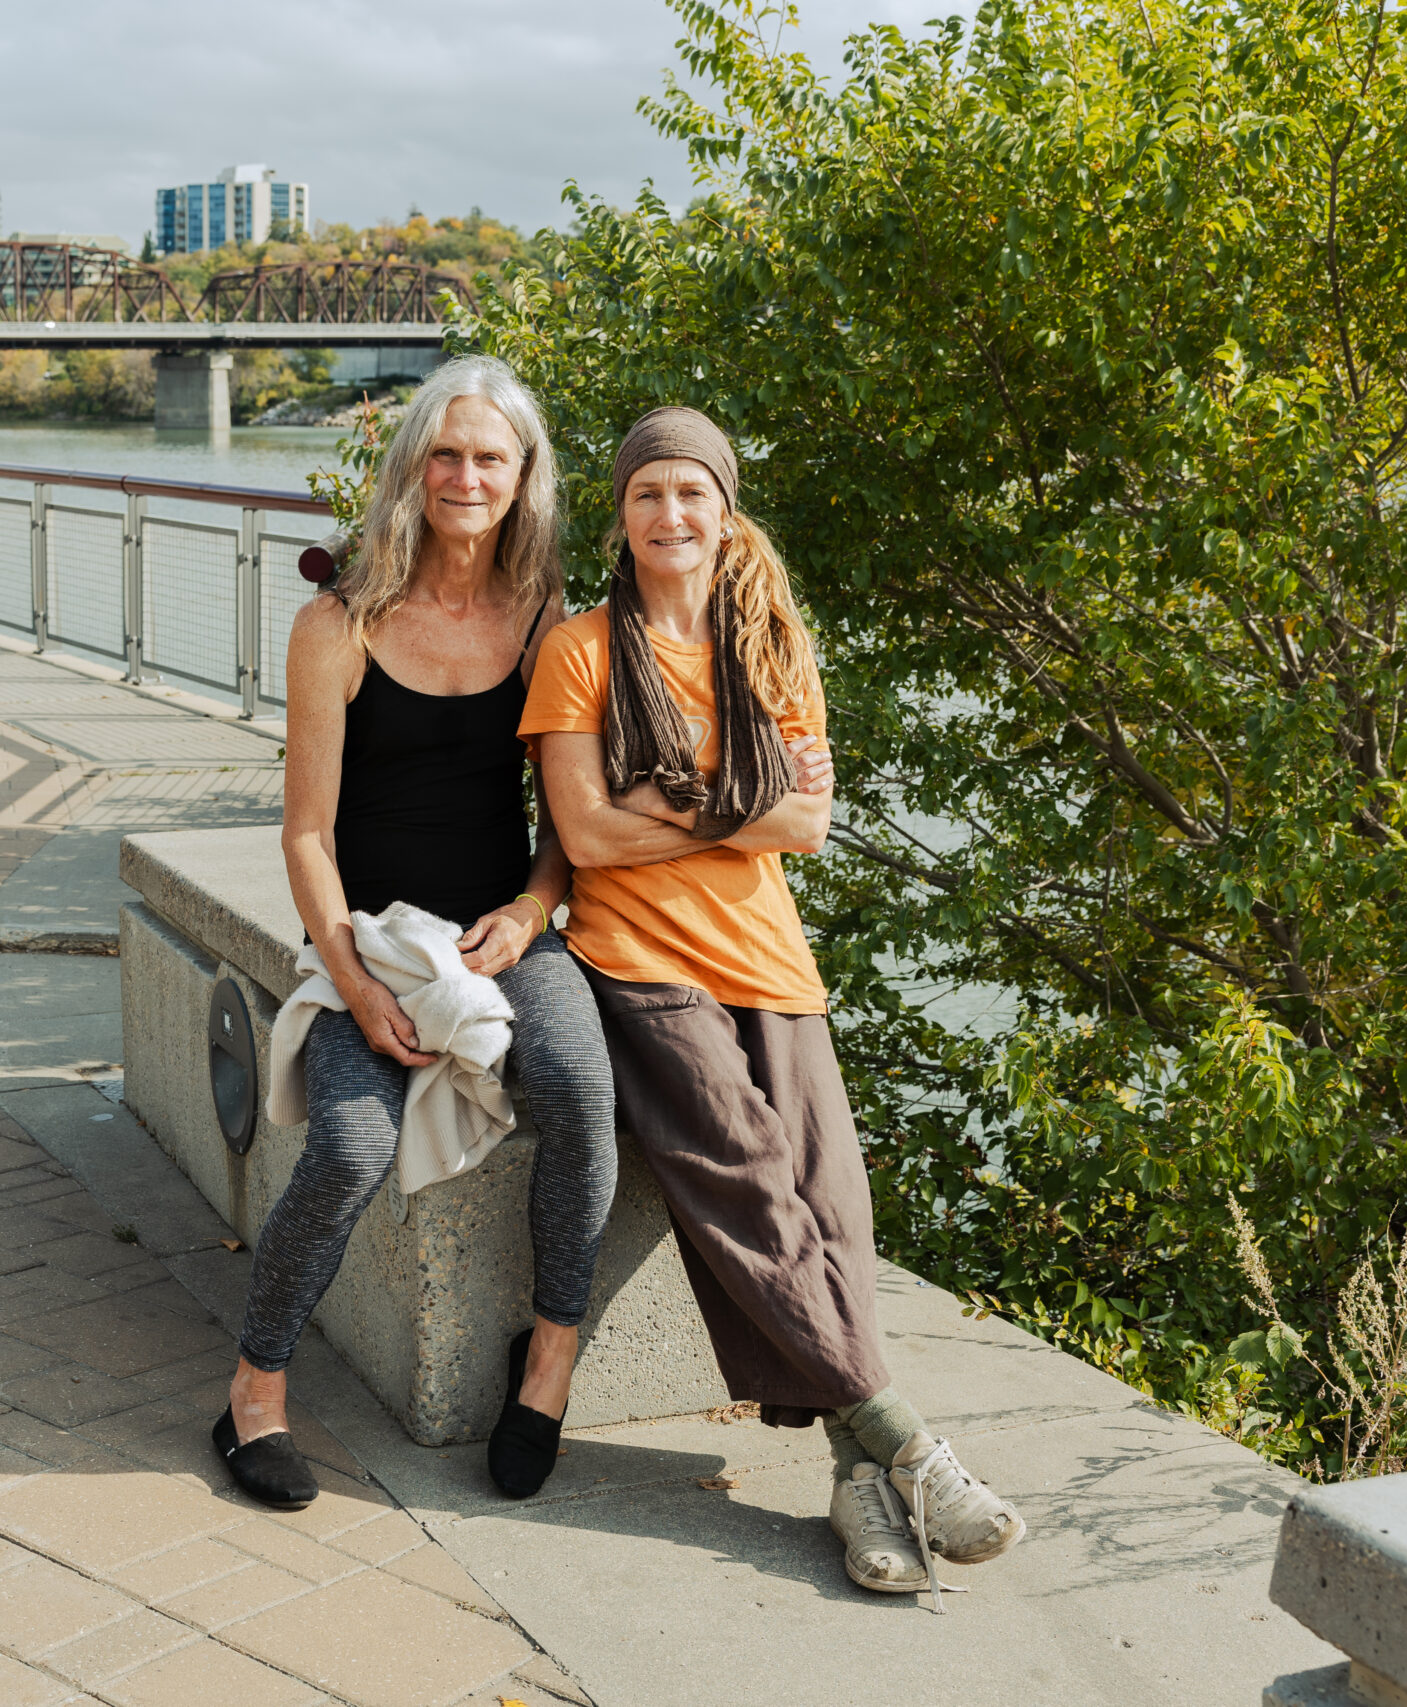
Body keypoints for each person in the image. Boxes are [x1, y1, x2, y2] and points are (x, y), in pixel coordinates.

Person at [521, 406, 1024, 1599]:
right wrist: (729, 796)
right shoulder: (580, 651)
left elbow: (807, 823)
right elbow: (584, 834)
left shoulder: (770, 647)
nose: (670, 515)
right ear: (619, 516)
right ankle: (910, 1442)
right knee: (746, 1182)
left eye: (692, 493)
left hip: (772, 963)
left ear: (724, 511)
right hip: (640, 963)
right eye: (648, 495)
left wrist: (672, 791)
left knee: (831, 1214)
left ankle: (859, 1489)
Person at [217, 356, 615, 1509]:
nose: (465, 475)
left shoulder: (547, 623)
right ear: (411, 469)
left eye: (490, 456)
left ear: (522, 477)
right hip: (374, 945)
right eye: (444, 453)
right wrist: (350, 973)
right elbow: (304, 834)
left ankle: (545, 1364)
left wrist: (534, 909)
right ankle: (254, 1390)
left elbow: (561, 825)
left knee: (584, 1094)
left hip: (502, 935)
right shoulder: (338, 623)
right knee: (347, 1146)